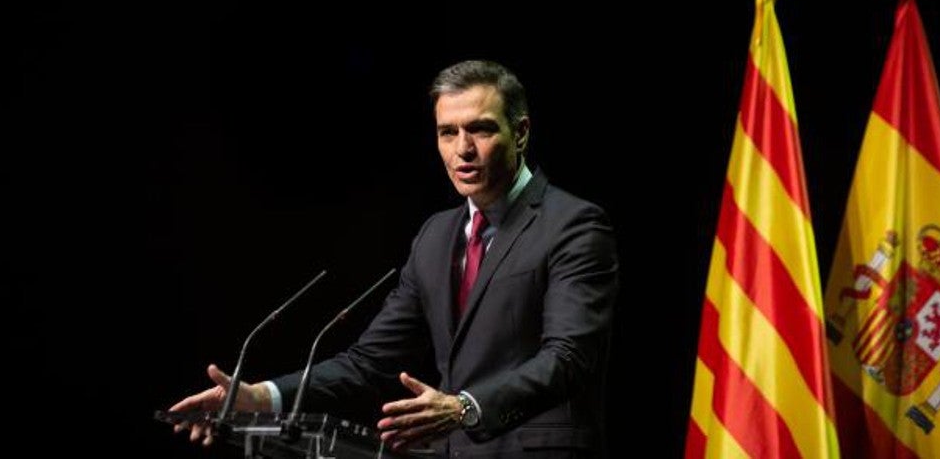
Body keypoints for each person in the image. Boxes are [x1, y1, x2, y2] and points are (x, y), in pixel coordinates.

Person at [170, 59, 619, 457]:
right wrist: (261, 397)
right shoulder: (435, 236)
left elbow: (569, 357)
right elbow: (369, 362)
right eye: (448, 132)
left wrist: (464, 408)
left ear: (520, 132)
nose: (463, 149)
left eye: (480, 129)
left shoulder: (573, 225)